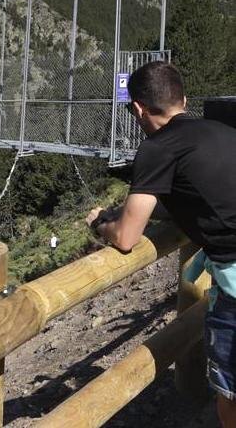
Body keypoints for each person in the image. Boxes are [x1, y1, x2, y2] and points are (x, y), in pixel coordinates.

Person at [85, 61, 236, 427]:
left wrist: (101, 223)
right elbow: (202, 191)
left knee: (230, 398)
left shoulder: (158, 148)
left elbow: (126, 238)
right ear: (182, 99)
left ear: (139, 109)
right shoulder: (222, 132)